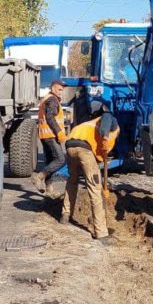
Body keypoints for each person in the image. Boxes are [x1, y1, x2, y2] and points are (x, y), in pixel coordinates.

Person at [62, 111, 120, 243]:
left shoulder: (91, 124)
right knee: (95, 188)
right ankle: (101, 233)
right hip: (84, 149)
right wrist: (105, 136)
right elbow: (106, 119)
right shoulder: (113, 122)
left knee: (72, 181)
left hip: (70, 145)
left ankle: (65, 215)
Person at [33, 79, 67, 194]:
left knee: (50, 161)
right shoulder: (52, 100)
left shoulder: (46, 98)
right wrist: (59, 132)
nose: (61, 92)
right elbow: (50, 117)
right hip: (51, 135)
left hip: (44, 135)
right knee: (60, 159)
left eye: (62, 90)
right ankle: (40, 176)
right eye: (59, 89)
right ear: (53, 88)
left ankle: (49, 189)